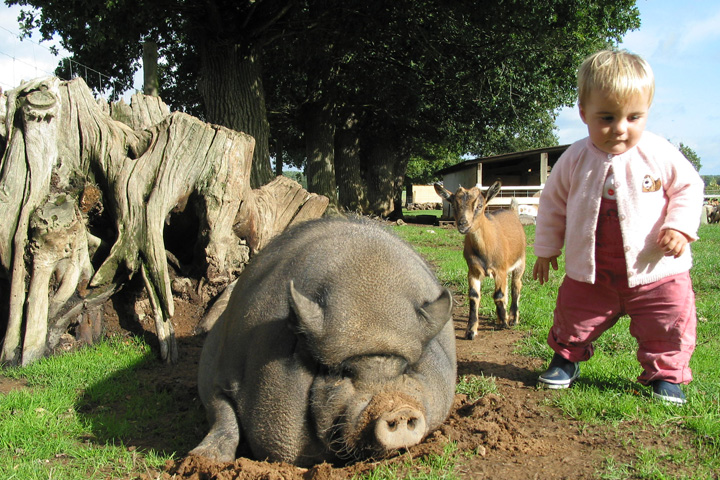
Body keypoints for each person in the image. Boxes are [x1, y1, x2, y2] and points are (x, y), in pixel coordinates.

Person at [532, 49, 704, 404]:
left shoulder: (659, 152)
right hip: (593, 272)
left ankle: (666, 375)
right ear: (583, 113)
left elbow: (689, 187)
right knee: (574, 315)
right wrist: (547, 249)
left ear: (647, 112)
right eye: (607, 117)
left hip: (656, 269)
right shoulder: (575, 158)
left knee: (667, 319)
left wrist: (679, 226)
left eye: (634, 116)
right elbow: (553, 202)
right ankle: (566, 359)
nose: (621, 128)